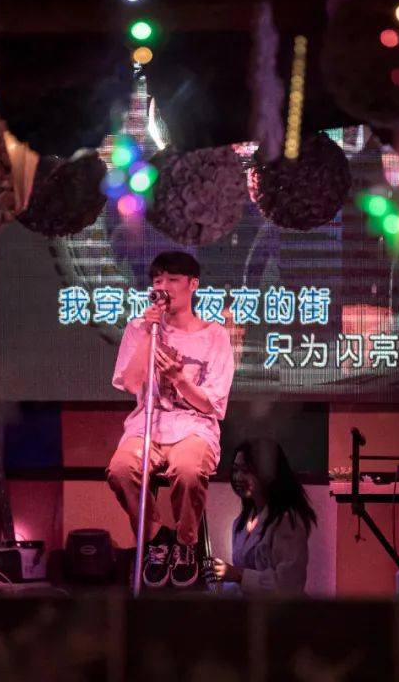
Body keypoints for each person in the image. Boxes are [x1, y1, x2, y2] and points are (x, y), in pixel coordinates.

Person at [106, 251, 235, 588]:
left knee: (188, 469)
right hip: (147, 425)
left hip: (194, 426)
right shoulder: (139, 328)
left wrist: (179, 378)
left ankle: (185, 544)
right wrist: (149, 332)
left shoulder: (214, 336)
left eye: (173, 280)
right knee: (121, 469)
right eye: (158, 280)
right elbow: (130, 383)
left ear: (193, 284)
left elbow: (211, 404)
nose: (163, 287)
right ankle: (156, 538)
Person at [210, 440, 317, 594]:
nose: (238, 477)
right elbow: (242, 587)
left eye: (246, 470)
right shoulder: (241, 522)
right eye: (235, 470)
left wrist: (238, 575)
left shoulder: (286, 520)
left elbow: (290, 585)